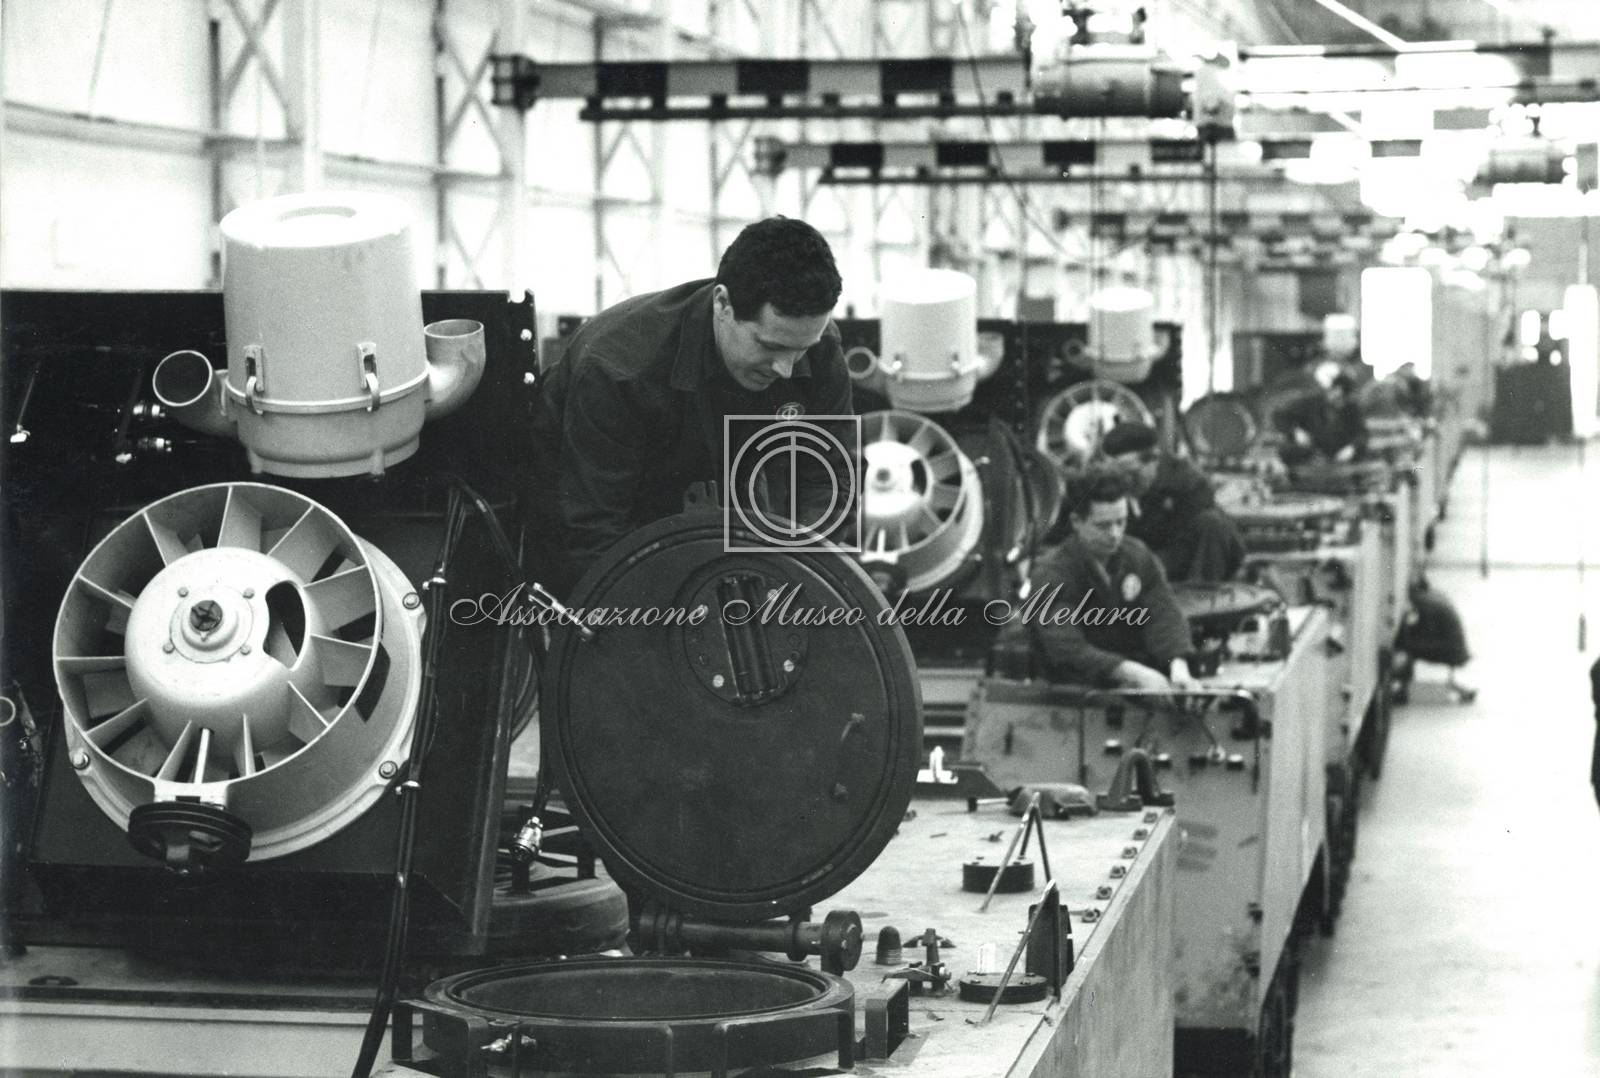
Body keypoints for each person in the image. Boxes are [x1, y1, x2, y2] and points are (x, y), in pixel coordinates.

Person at [527, 218, 851, 597]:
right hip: (595, 528)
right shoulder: (618, 370)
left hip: (724, 521)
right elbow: (592, 532)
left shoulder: (818, 347)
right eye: (770, 347)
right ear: (722, 304)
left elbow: (828, 481)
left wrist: (794, 576)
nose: (787, 369)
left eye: (802, 350)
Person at [1016, 468, 1195, 692]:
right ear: (1077, 522)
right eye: (1103, 525)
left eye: (1121, 522)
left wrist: (1178, 665)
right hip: (1070, 690)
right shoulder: (1051, 574)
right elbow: (1067, 648)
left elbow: (1164, 614)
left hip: (1133, 684)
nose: (1115, 534)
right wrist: (1133, 672)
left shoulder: (1139, 557)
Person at [1100, 421, 1245, 583]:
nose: (1125, 482)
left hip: (1191, 564)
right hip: (1141, 565)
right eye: (1117, 475)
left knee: (1212, 523)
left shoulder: (1189, 484)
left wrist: (1143, 568)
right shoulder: (1112, 485)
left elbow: (1185, 547)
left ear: (1154, 460)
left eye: (1132, 473)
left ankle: (1203, 593)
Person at [1274, 362, 1368, 466]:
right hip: (1309, 453)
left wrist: (1352, 448)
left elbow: (1362, 434)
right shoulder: (1310, 402)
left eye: (1343, 400)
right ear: (1331, 390)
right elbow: (1280, 414)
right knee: (1289, 450)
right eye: (1338, 397)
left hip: (1337, 456)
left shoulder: (1351, 409)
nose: (1339, 403)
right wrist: (1295, 431)